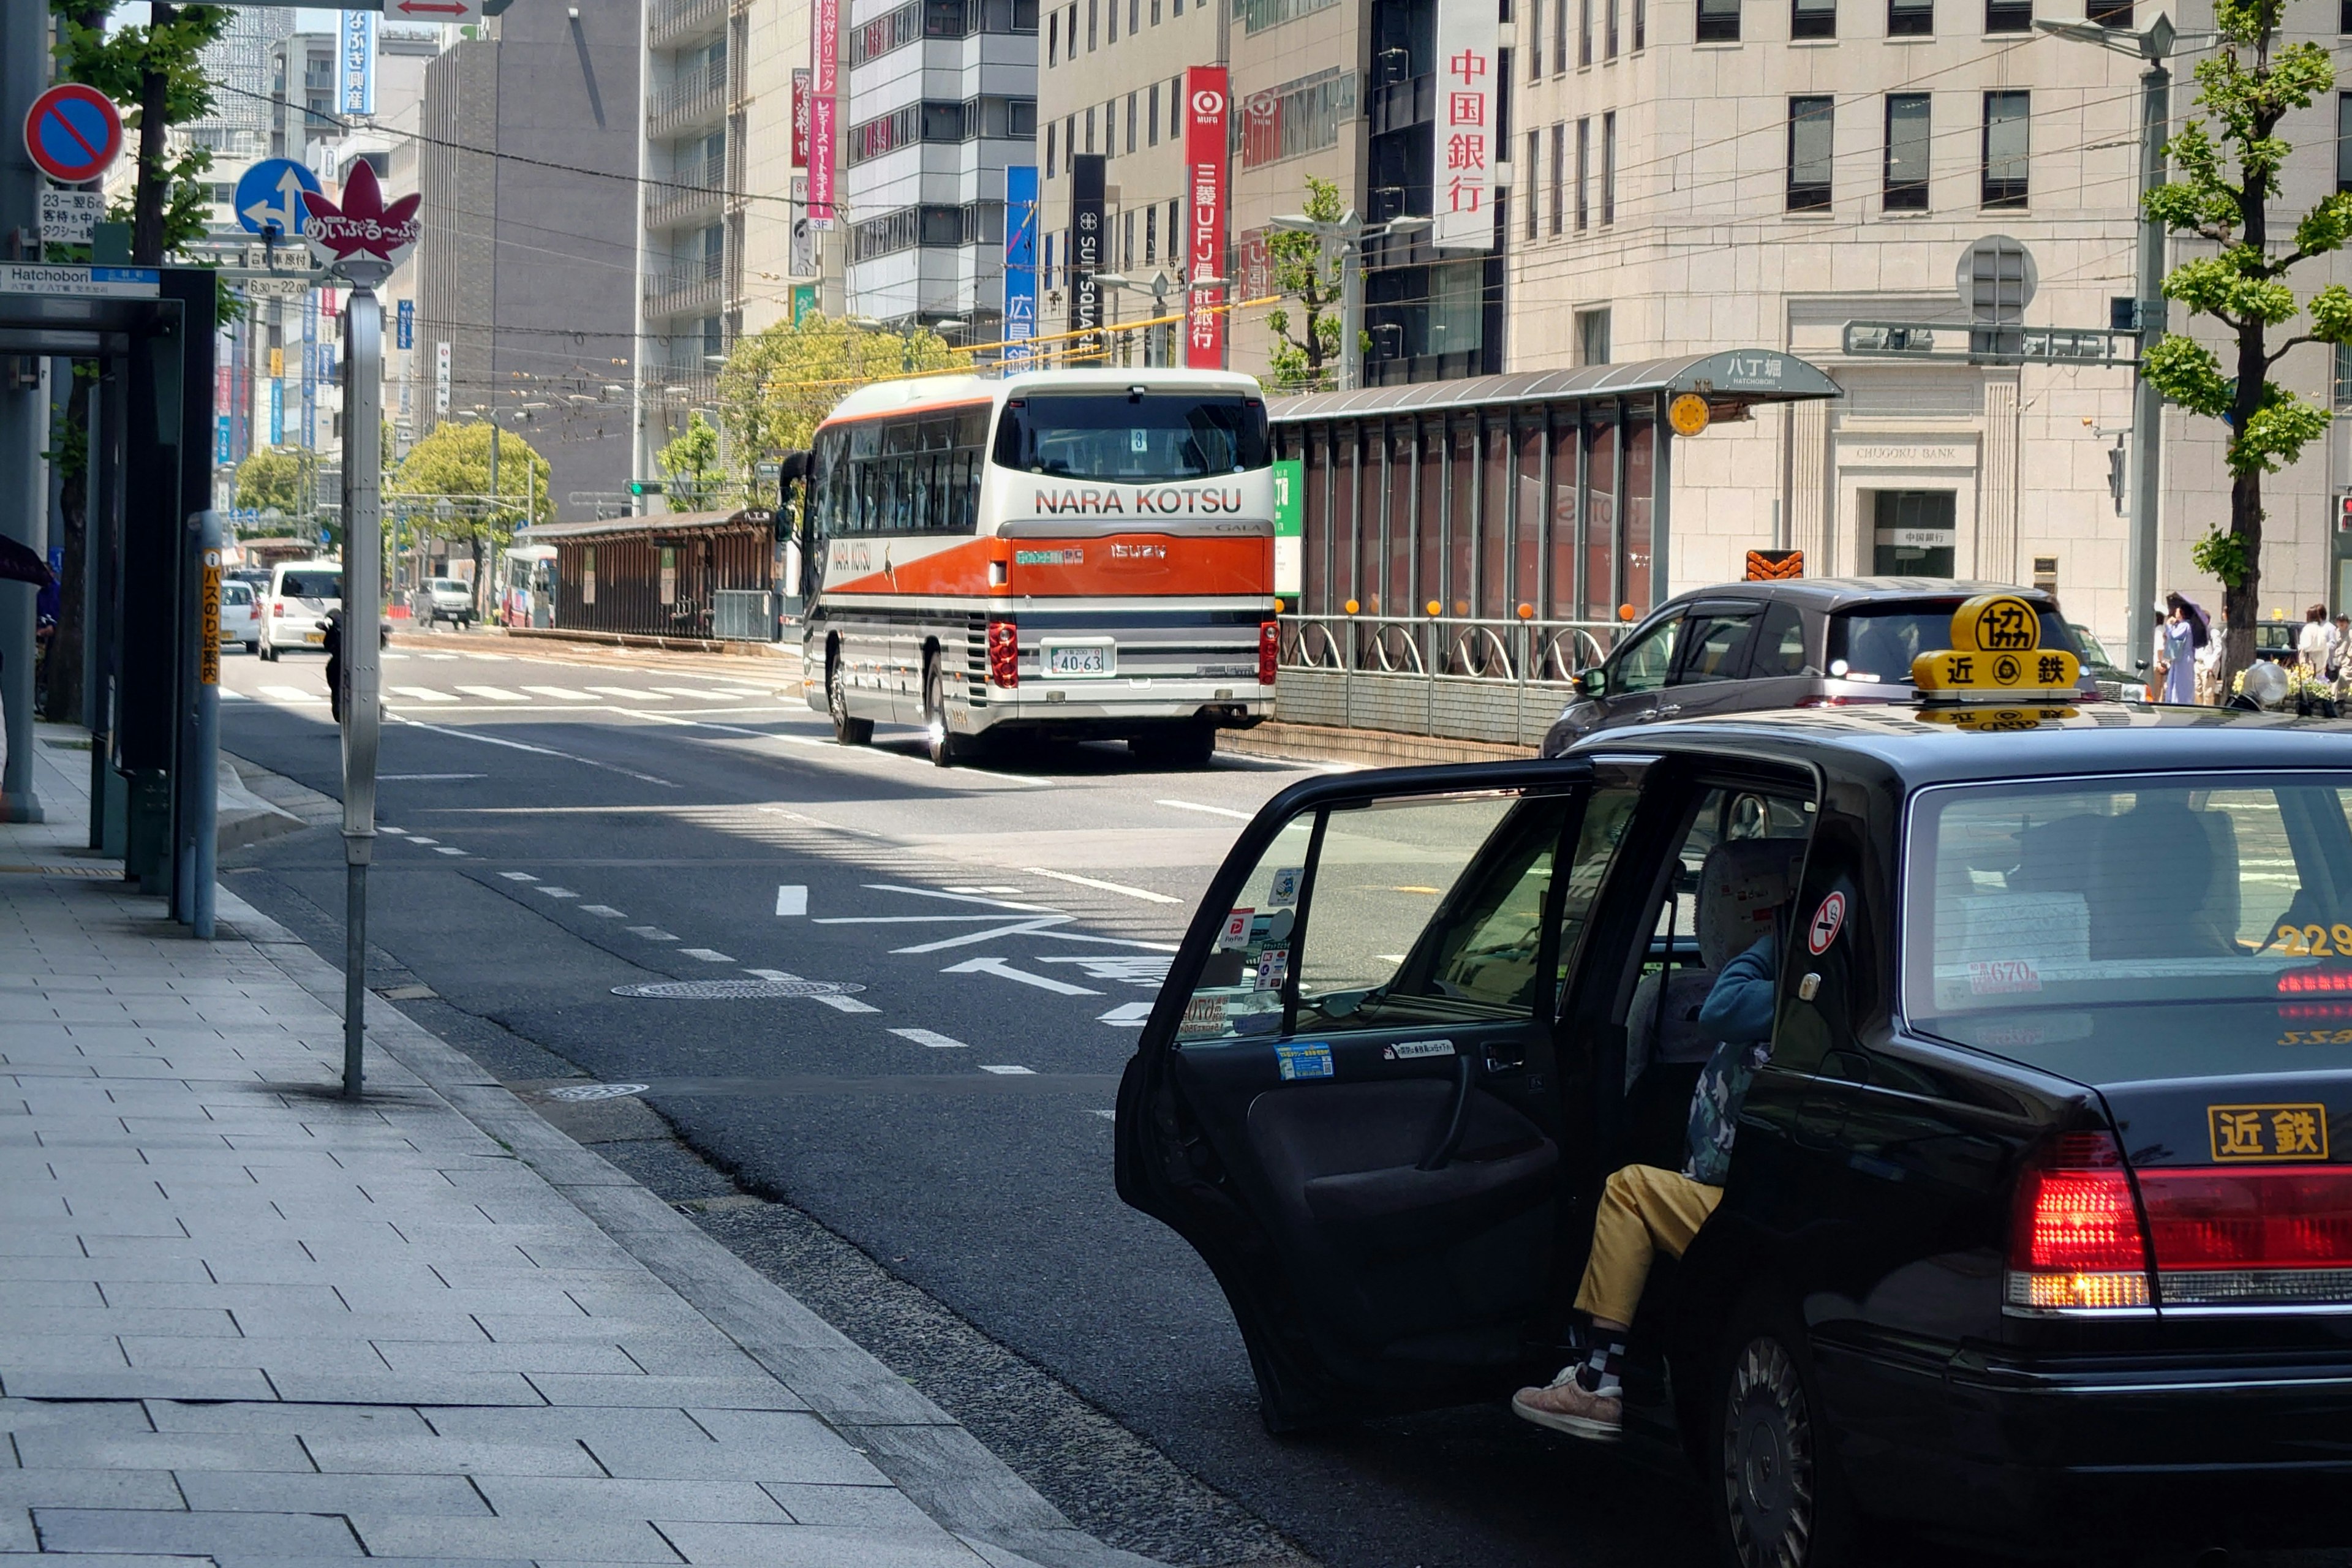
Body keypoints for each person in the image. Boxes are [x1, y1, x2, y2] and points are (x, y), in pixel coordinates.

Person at [1509, 903, 1785, 1443]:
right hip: (1781, 1209)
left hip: (1751, 1219)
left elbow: (1722, 1007)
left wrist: (1781, 938)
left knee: (1629, 1189)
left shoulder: (1798, 994)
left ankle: (1596, 1381)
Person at [2157, 592, 2204, 705]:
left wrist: (2169, 626)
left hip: (2184, 658)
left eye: (2178, 610)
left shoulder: (2185, 625)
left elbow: (2173, 635)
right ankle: (2175, 700)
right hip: (2181, 657)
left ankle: (2181, 702)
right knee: (2176, 680)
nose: (2176, 612)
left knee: (2181, 683)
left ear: (2182, 613)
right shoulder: (2183, 625)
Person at [2300, 603, 2336, 681]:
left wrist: (2300, 648)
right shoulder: (2321, 630)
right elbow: (2325, 647)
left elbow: (2305, 646)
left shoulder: (2307, 629)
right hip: (2321, 665)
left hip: (2309, 665)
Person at [321, 608, 345, 725]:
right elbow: (328, 645)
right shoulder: (335, 617)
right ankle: (338, 704)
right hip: (339, 659)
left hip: (363, 658)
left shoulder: (367, 617)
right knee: (333, 670)